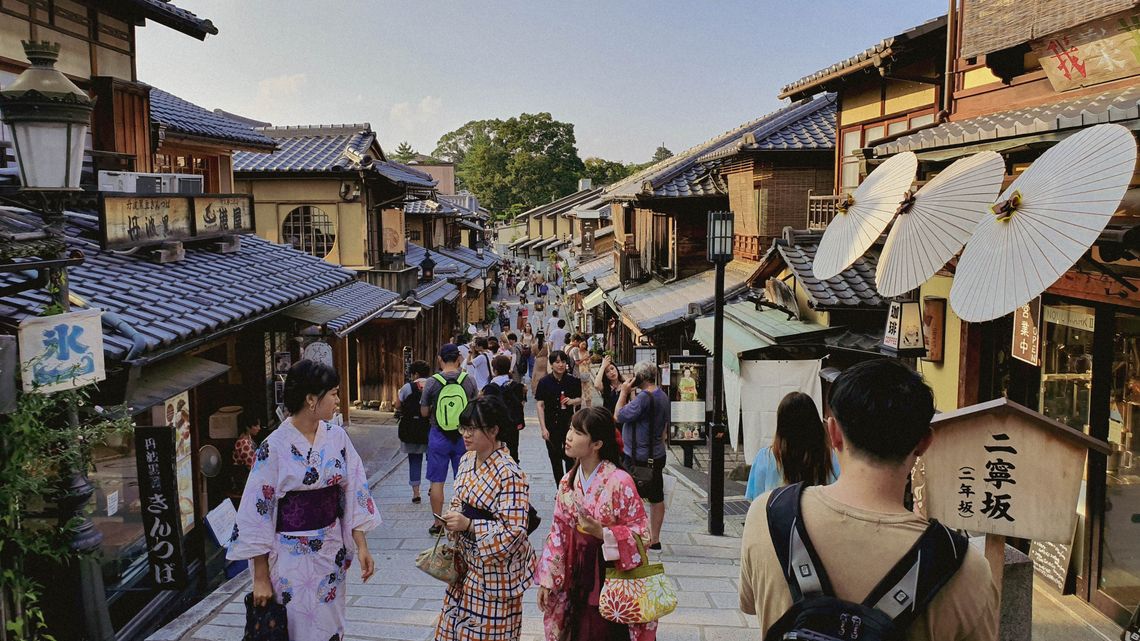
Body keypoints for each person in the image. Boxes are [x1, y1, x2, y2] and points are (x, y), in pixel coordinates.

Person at [738, 360, 999, 641]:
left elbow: (749, 604)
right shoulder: (965, 569)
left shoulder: (767, 516)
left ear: (834, 433)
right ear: (924, 443)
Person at [228, 360, 380, 641]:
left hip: (330, 550)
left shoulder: (337, 438)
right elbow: (256, 513)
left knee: (330, 625)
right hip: (288, 556)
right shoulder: (273, 446)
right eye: (333, 393)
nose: (338, 400)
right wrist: (260, 577)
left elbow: (353, 489)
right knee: (294, 627)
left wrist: (361, 545)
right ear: (312, 399)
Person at [536, 407, 655, 641]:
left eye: (578, 432)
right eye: (570, 428)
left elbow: (642, 535)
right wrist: (548, 579)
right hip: (575, 571)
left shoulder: (620, 481)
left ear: (597, 443)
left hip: (609, 573)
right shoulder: (567, 482)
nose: (569, 436)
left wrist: (603, 532)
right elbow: (557, 533)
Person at [434, 396, 537, 641]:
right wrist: (454, 516)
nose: (465, 434)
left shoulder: (510, 473)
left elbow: (514, 531)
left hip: (496, 574)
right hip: (466, 565)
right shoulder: (468, 459)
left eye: (472, 428)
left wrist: (470, 524)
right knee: (453, 631)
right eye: (463, 428)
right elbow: (459, 498)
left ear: (493, 430)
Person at [421, 344, 480, 536]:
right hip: (464, 436)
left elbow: (423, 411)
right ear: (459, 359)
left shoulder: (432, 382)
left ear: (440, 359)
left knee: (436, 481)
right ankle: (462, 518)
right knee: (463, 478)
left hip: (438, 435)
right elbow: (475, 407)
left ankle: (437, 523)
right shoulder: (468, 380)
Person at [614, 360, 670, 550]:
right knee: (656, 496)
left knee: (630, 495)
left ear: (640, 377)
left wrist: (623, 392)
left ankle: (635, 535)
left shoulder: (644, 398)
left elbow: (618, 415)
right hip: (657, 453)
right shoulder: (662, 395)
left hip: (639, 456)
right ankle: (655, 538)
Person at [744, 391, 839, 501]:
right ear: (815, 425)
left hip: (775, 517)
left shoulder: (765, 457)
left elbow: (756, 501)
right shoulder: (831, 458)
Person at [535, 350, 584, 486]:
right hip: (551, 424)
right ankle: (560, 488)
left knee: (570, 455)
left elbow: (580, 399)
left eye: (563, 361)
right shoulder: (544, 382)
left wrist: (571, 401)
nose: (560, 365)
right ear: (551, 364)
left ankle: (569, 485)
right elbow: (540, 405)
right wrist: (543, 428)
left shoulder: (573, 381)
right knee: (554, 457)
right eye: (557, 362)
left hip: (568, 424)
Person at [398, 360, 433, 504]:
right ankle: (433, 486)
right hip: (430, 428)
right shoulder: (433, 384)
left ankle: (416, 493)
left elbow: (397, 404)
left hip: (411, 428)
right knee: (432, 459)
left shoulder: (407, 387)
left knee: (414, 460)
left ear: (415, 373)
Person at [482, 354, 526, 463]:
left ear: (495, 370)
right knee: (512, 454)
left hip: (494, 428)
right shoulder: (517, 386)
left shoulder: (489, 388)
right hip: (513, 426)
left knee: (494, 455)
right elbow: (521, 405)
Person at [231, 415, 262, 493]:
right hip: (244, 479)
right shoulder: (243, 442)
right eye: (256, 426)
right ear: (248, 427)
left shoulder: (248, 438)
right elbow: (251, 465)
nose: (259, 428)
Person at [530, 332, 549, 396]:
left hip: (538, 361)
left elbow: (532, 354)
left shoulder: (534, 345)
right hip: (545, 360)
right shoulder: (547, 344)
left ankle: (537, 389)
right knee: (545, 374)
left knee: (537, 376)